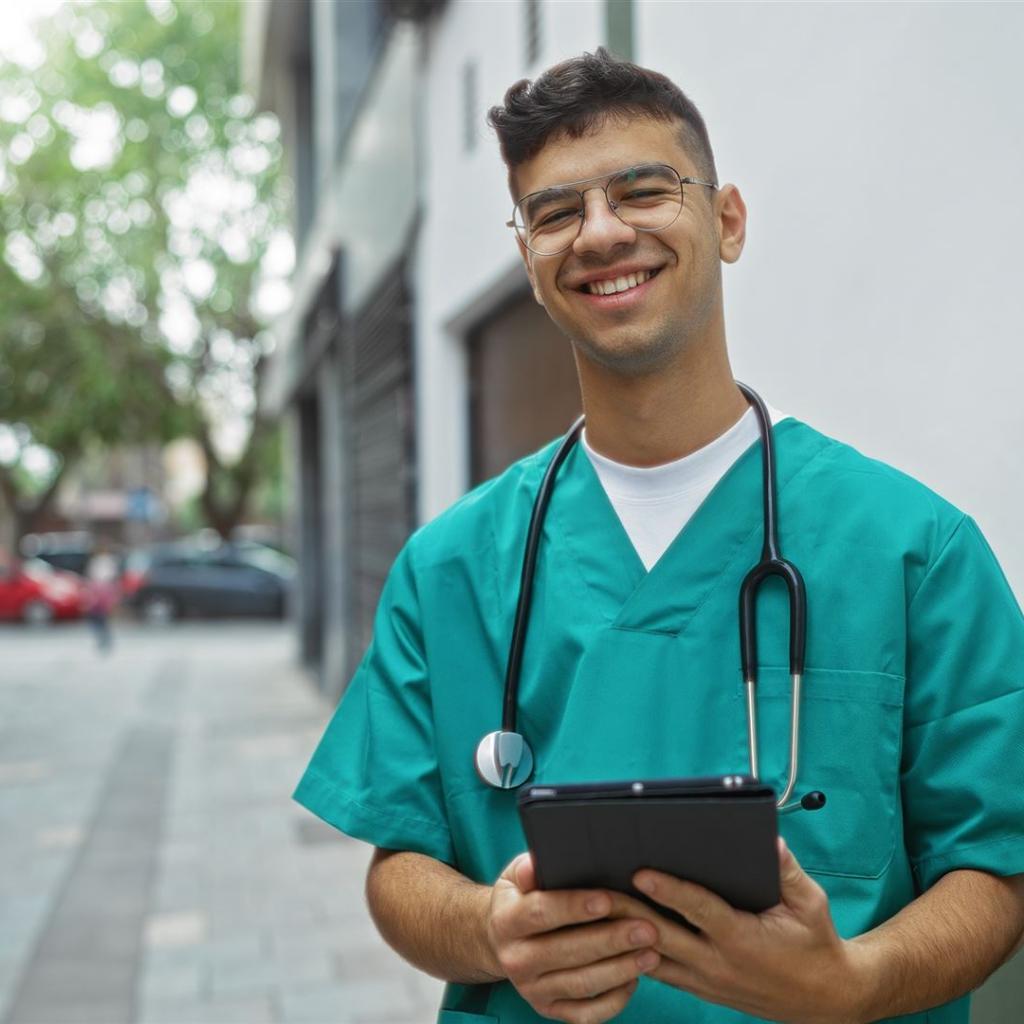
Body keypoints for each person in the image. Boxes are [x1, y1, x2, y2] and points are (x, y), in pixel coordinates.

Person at [294, 49, 1024, 1023]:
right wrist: (489, 930)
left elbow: (996, 868)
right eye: (555, 212)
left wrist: (853, 984)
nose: (600, 233)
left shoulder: (912, 548)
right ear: (530, 262)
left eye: (643, 191)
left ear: (727, 221)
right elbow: (401, 865)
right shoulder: (449, 569)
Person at [85, 539, 119, 653]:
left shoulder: (108, 561)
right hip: (97, 590)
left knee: (103, 616)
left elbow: (111, 577)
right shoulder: (97, 561)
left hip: (104, 590)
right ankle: (102, 637)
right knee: (96, 615)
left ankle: (105, 637)